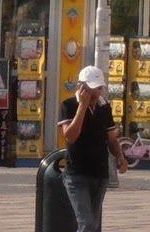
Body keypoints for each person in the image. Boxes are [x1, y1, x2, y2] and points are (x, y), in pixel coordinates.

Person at [58, 64, 128, 232]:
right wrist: (82, 107)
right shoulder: (68, 105)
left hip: (100, 173)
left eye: (99, 89)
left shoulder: (105, 107)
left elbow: (111, 139)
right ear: (81, 87)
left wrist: (120, 156)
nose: (96, 93)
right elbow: (70, 136)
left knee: (94, 226)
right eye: (91, 89)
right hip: (77, 174)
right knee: (86, 224)